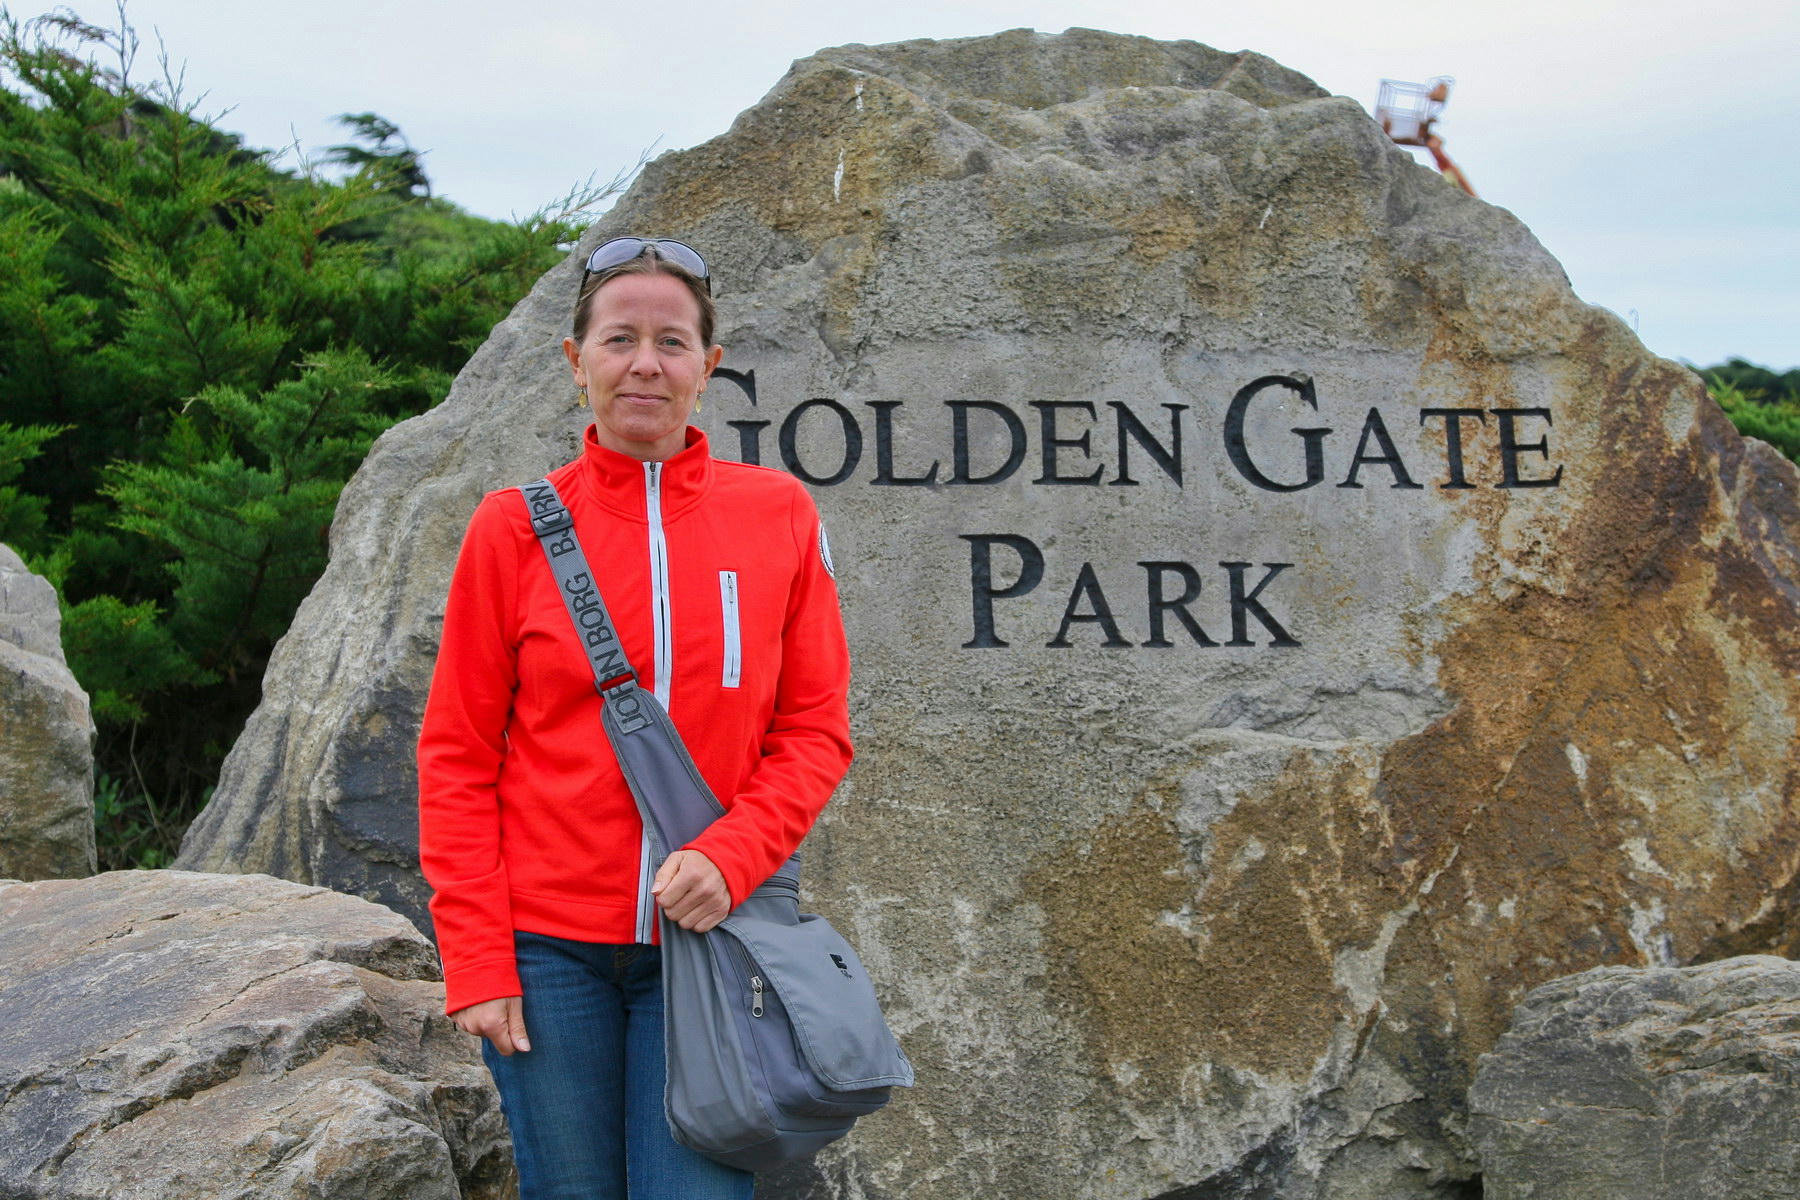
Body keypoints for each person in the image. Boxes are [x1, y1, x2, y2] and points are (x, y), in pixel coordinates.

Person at [416, 237, 854, 1200]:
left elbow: (816, 730)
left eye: (671, 341)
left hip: (710, 945)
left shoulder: (780, 515)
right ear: (577, 362)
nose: (645, 363)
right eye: (619, 340)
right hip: (546, 955)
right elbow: (456, 754)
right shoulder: (511, 527)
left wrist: (733, 854)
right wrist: (478, 957)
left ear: (709, 365)